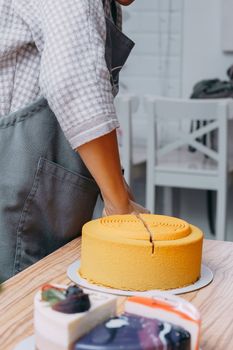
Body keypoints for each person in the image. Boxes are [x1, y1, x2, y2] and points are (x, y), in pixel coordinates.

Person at [0, 0, 148, 282]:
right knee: (17, 315)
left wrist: (116, 185)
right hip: (17, 195)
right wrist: (120, 206)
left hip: (45, 197)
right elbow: (75, 82)